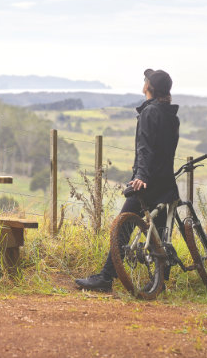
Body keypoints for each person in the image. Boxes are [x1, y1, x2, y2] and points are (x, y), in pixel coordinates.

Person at [74, 68, 180, 292]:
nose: (143, 83)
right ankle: (159, 283)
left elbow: (145, 147)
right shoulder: (171, 115)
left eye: (145, 81)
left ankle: (105, 278)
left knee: (123, 226)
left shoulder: (149, 113)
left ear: (148, 87)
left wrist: (140, 176)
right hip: (165, 182)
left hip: (147, 183)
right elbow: (164, 151)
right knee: (160, 235)